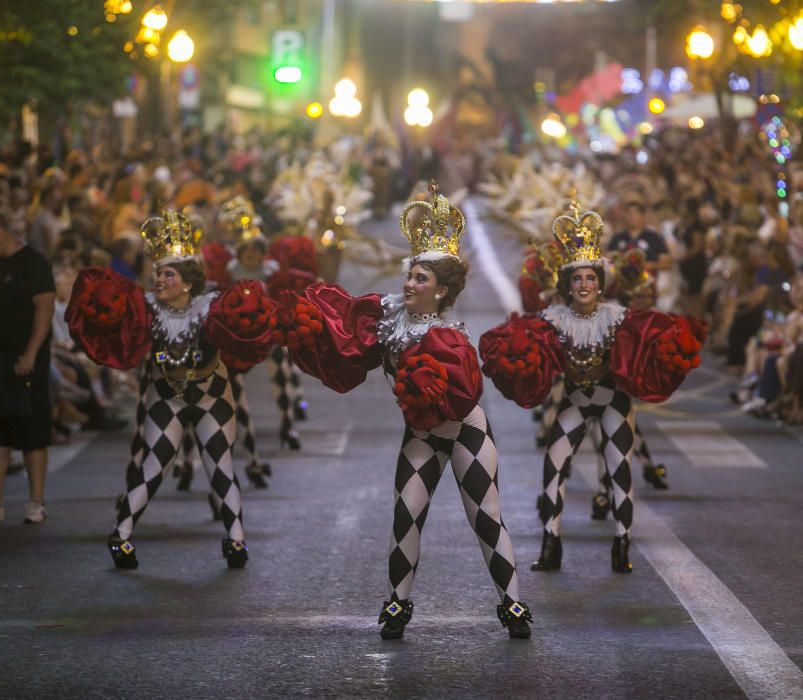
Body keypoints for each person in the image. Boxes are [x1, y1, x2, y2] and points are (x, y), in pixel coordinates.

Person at [283, 184, 532, 640]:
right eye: (410, 274)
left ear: (441, 292)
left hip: (465, 433)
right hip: (420, 434)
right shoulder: (389, 316)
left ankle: (513, 604)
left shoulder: (449, 335)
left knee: (485, 517)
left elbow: (465, 392)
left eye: (421, 279)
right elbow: (346, 331)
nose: (409, 284)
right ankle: (397, 604)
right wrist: (310, 322)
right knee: (406, 514)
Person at [480, 203, 703, 574]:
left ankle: (622, 544)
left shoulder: (617, 317)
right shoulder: (553, 319)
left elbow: (654, 334)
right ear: (568, 284)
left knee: (620, 471)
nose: (584, 285)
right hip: (573, 400)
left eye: (591, 278)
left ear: (601, 283)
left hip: (613, 401)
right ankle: (551, 544)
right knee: (554, 468)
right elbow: (522, 344)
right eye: (577, 279)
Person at [65, 210, 276, 569]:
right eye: (157, 273)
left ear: (188, 281)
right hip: (167, 397)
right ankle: (121, 535)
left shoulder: (211, 307)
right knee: (155, 464)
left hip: (213, 397)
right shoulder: (145, 310)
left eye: (168, 274)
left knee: (219, 464)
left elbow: (250, 323)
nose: (159, 280)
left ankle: (236, 540)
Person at [0, 210, 56, 524]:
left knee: (32, 432)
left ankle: (36, 502)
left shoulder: (34, 262)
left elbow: (44, 309)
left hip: (28, 360)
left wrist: (31, 353)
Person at [608, 201, 672, 274]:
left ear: (643, 216)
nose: (632, 216)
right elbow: (608, 259)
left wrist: (650, 265)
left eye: (636, 213)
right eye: (629, 213)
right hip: (621, 281)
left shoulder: (653, 237)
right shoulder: (618, 237)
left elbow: (667, 262)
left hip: (647, 280)